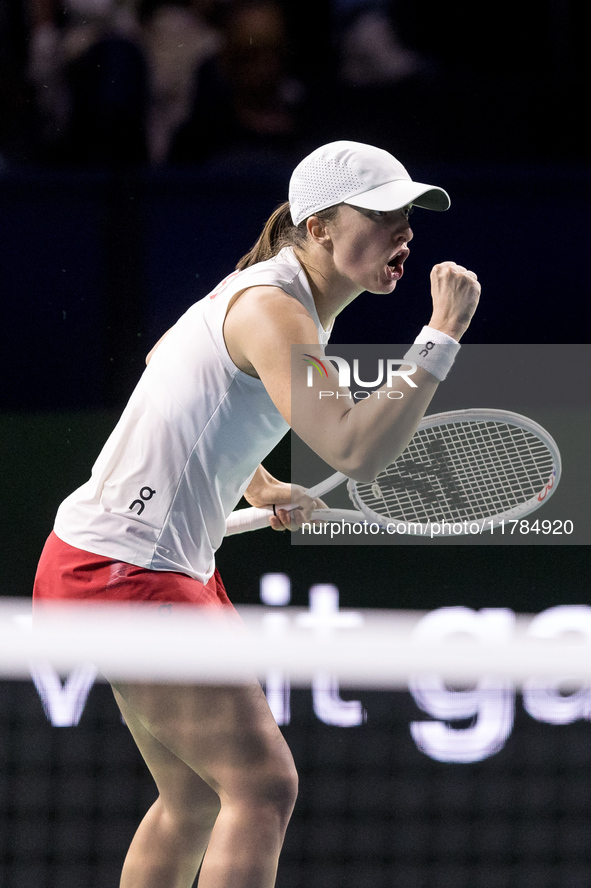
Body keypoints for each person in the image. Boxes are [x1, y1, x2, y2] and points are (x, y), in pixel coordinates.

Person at [32, 140, 480, 887]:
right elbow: (353, 449)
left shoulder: (267, 292)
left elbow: (171, 374)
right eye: (381, 216)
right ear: (319, 227)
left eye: (407, 217)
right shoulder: (275, 308)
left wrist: (255, 481)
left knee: (193, 800)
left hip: (115, 559)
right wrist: (438, 340)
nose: (403, 233)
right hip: (124, 569)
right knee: (261, 788)